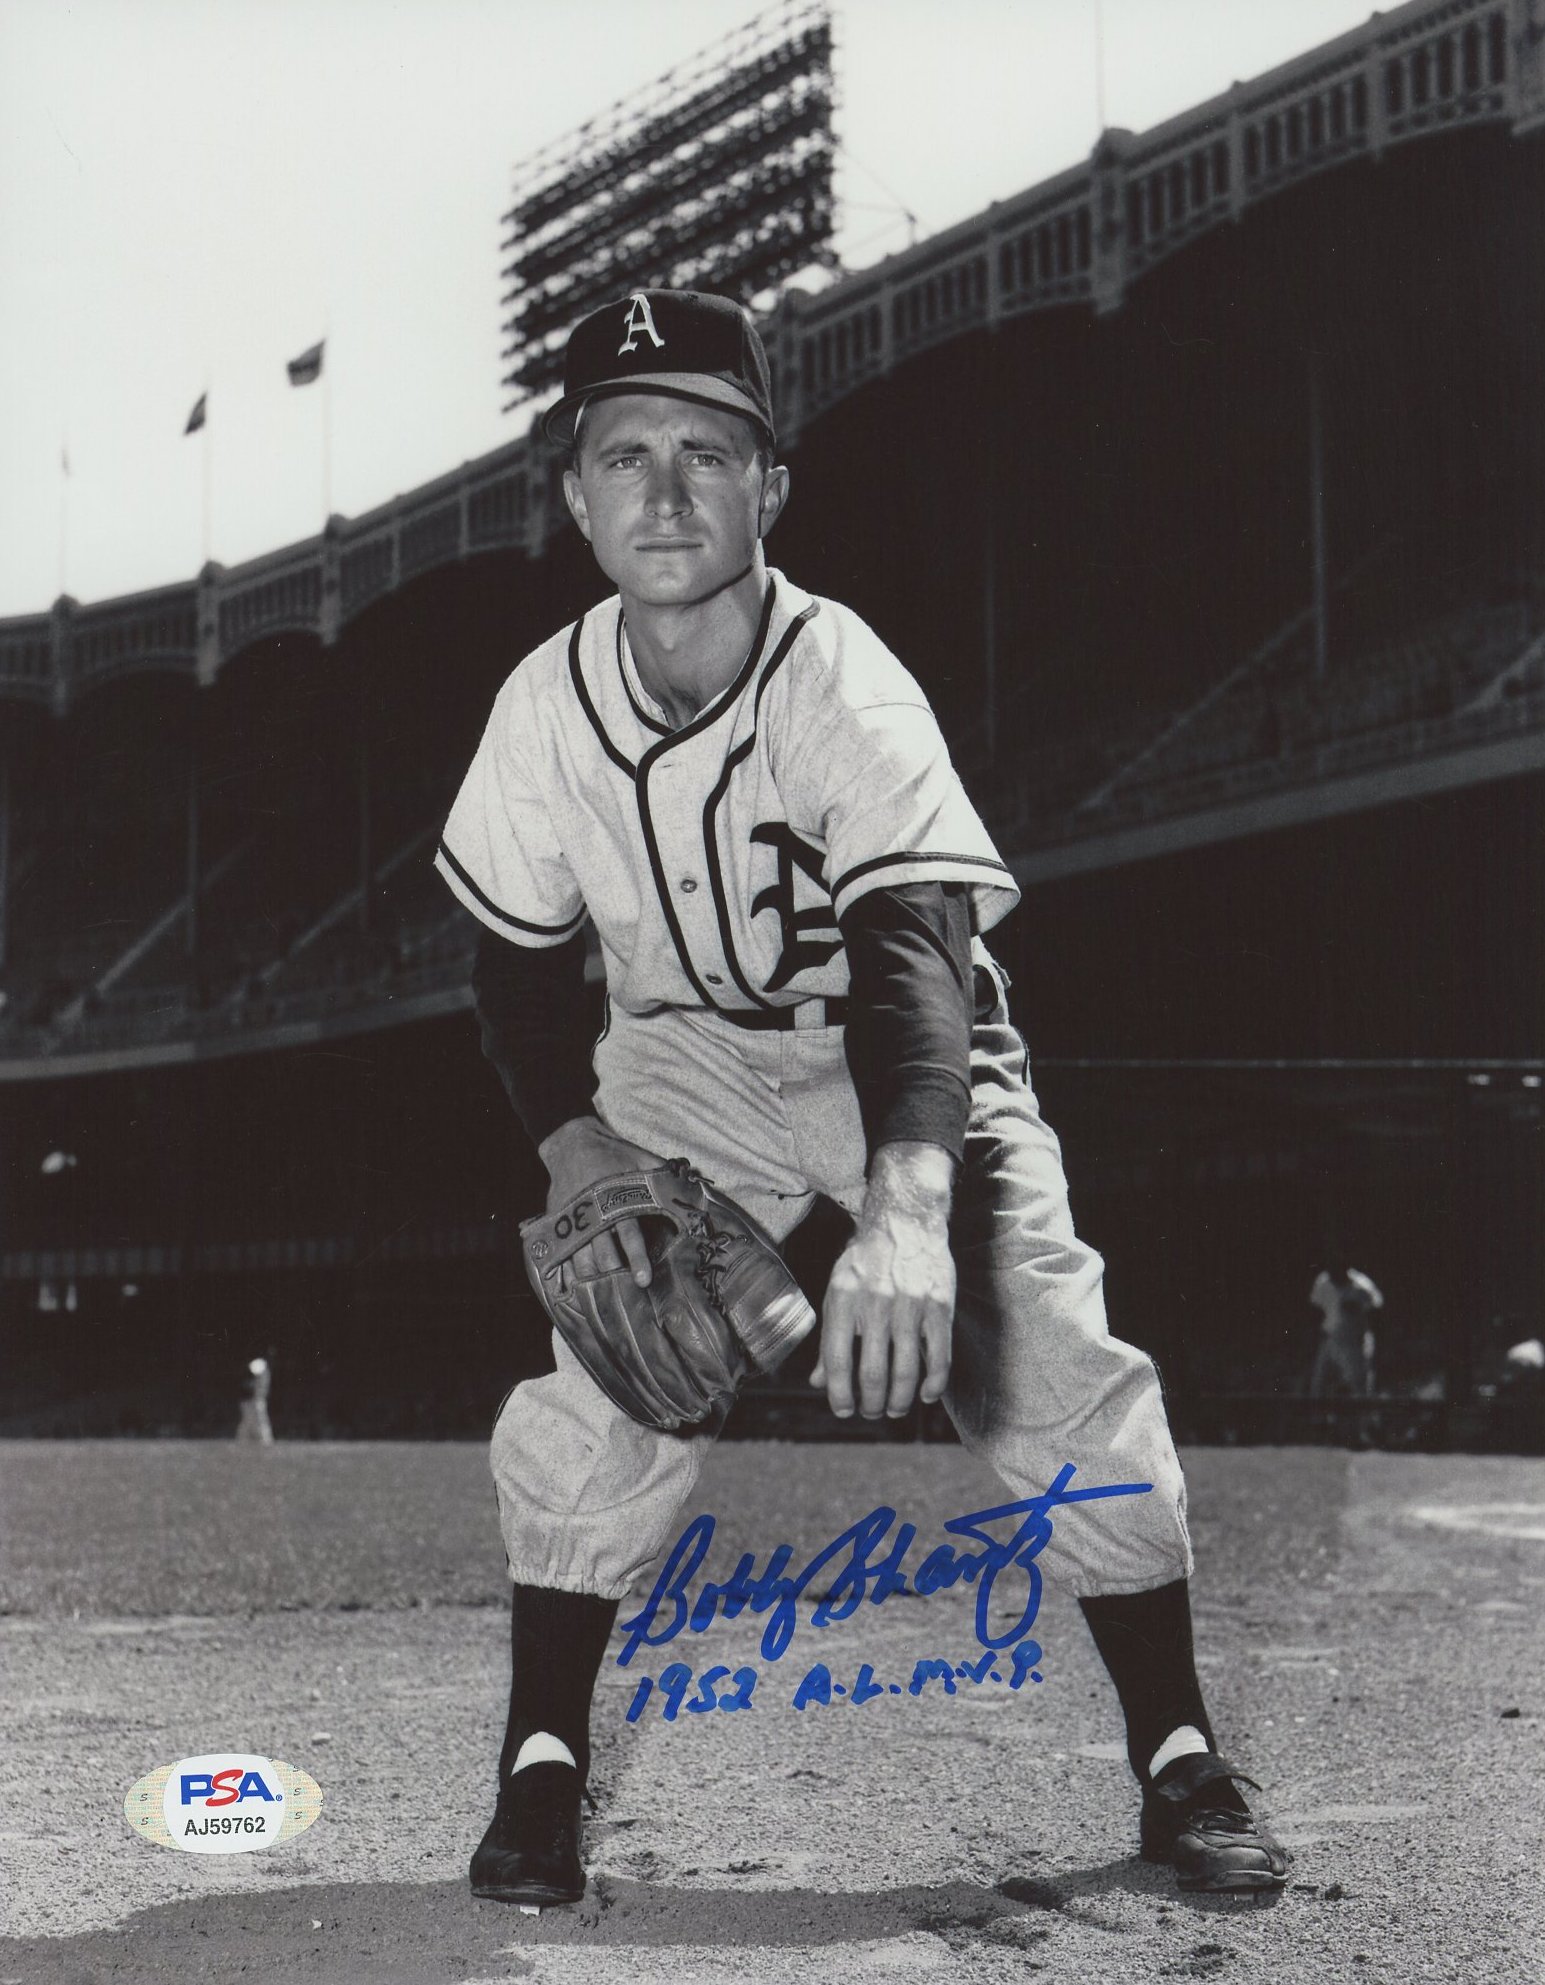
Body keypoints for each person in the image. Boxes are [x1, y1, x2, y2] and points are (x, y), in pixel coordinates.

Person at [435, 288, 1288, 1906]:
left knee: (1046, 1360)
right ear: (574, 499)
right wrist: (573, 1138)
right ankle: (543, 1759)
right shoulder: (541, 707)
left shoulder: (845, 677)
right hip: (679, 1051)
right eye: (625, 457)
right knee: (598, 1384)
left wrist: (906, 1208)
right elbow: (512, 964)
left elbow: (914, 953)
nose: (666, 493)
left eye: (707, 451)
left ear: (773, 485)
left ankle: (1181, 1756)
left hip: (891, 1045)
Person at [1308, 1262, 1383, 1398]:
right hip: (1329, 1341)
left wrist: (1358, 1311)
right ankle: (1317, 1419)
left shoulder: (1361, 1286)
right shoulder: (1324, 1281)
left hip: (1354, 1344)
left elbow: (1377, 1311)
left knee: (1360, 1391)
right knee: (1318, 1387)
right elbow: (1315, 1310)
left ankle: (1365, 1419)